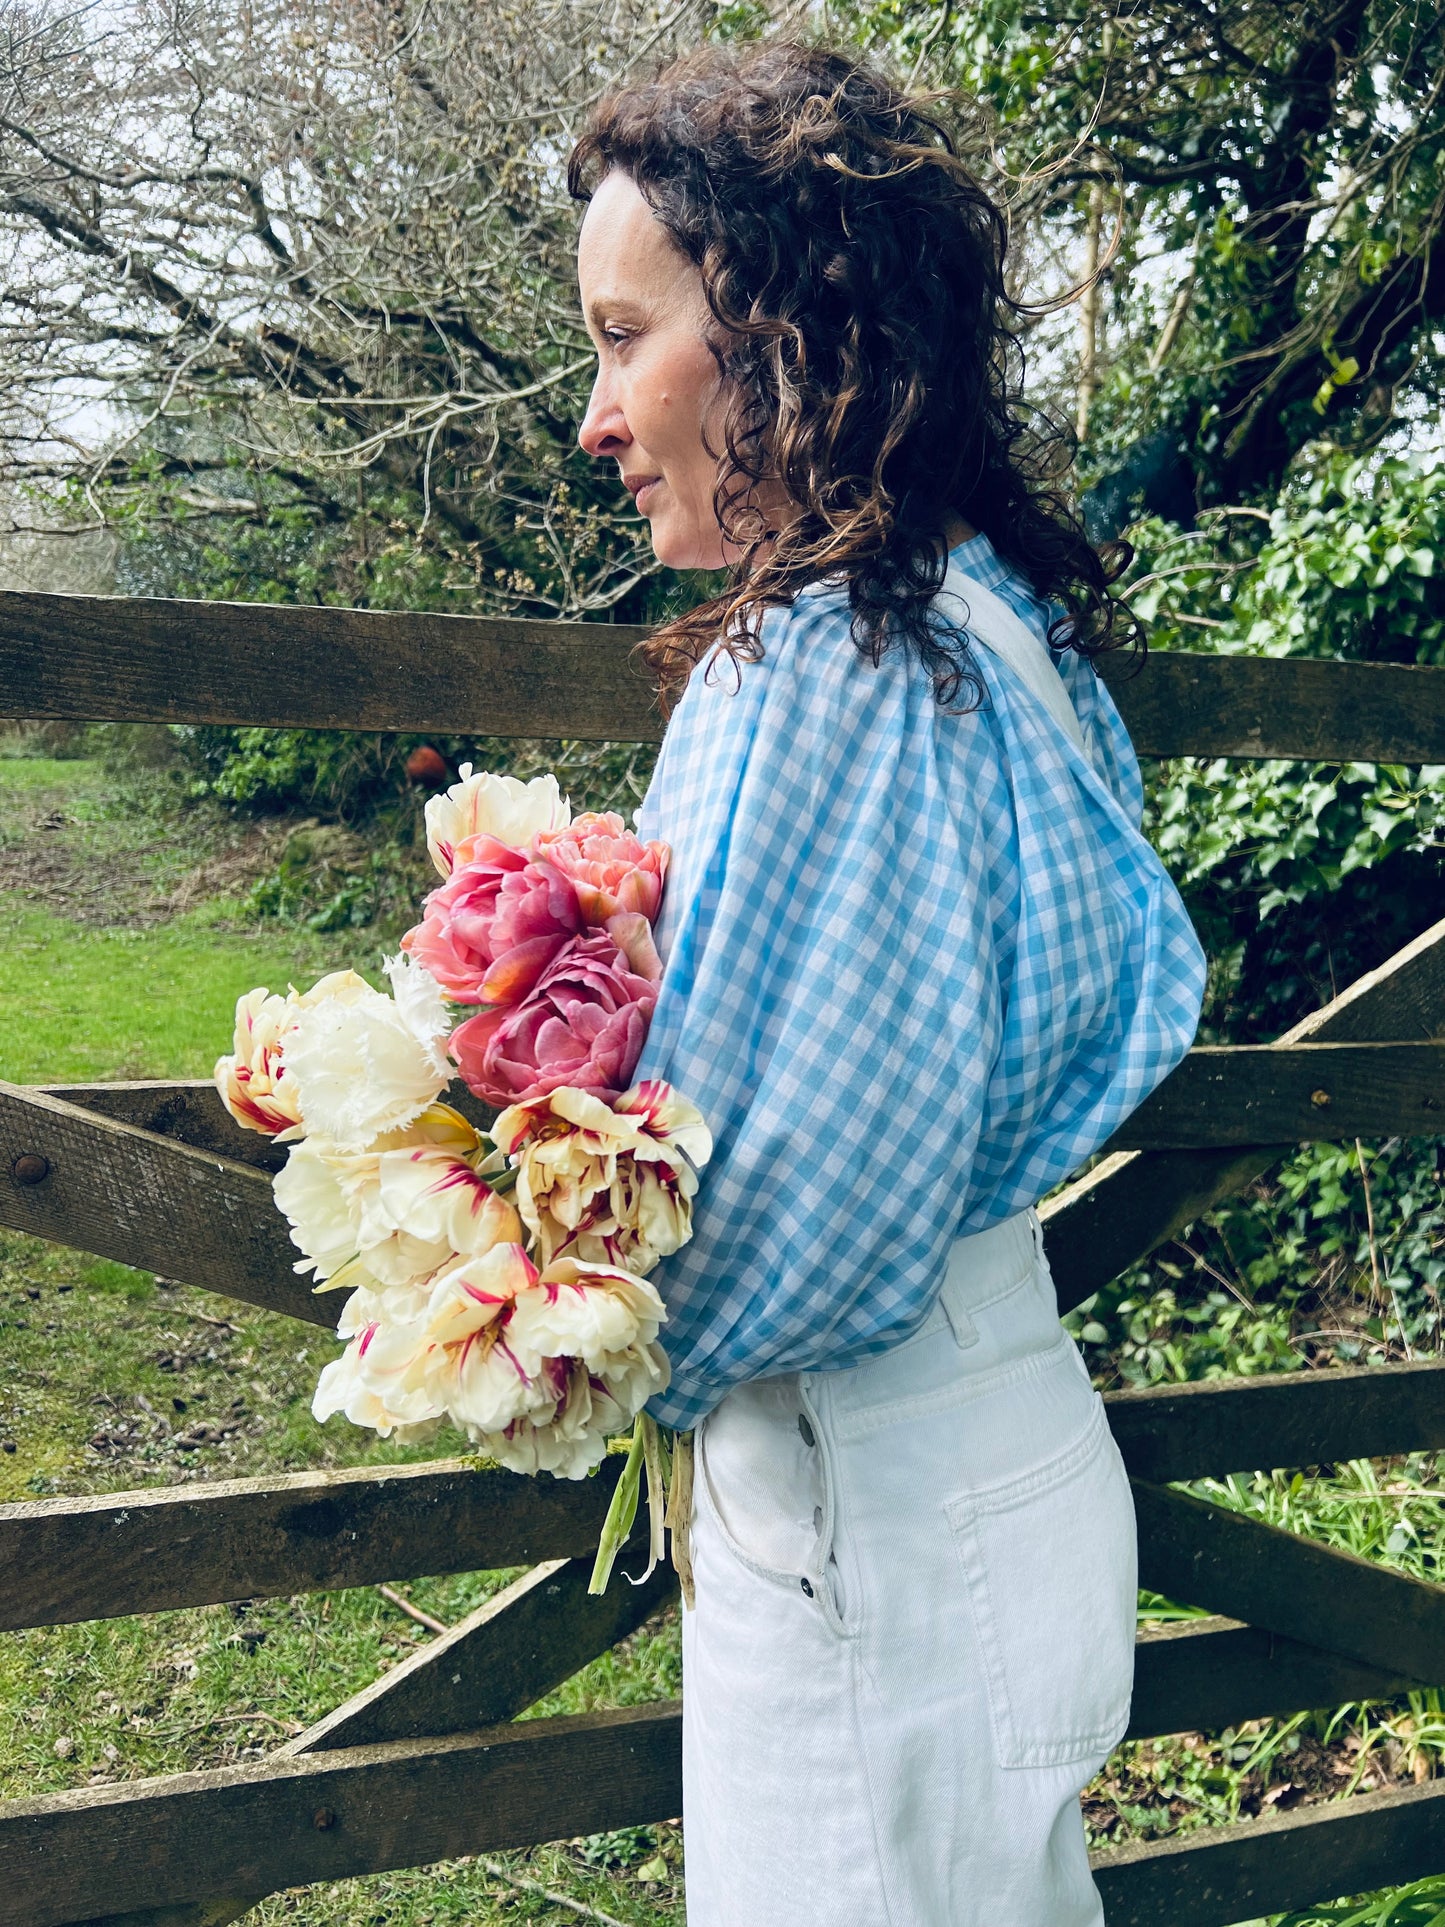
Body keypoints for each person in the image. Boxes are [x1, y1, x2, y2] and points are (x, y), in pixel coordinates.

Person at [569, 39, 1205, 1927]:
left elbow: (796, 1233)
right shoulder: (984, 619)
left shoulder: (827, 663)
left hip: (873, 1520)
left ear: (775, 326)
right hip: (990, 1465)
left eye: (623, 337)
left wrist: (550, 1313)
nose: (598, 416)